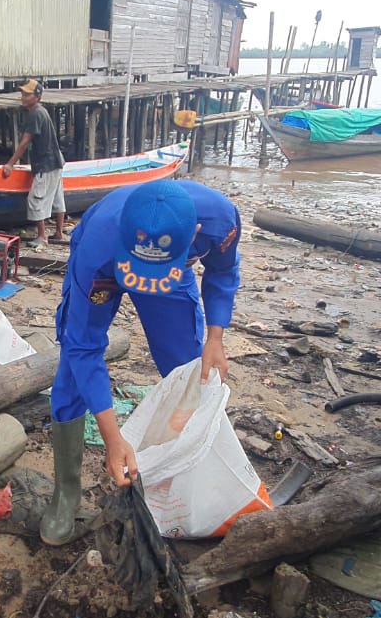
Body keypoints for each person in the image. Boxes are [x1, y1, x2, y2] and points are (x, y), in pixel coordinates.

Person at [39, 179, 242, 545]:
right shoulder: (98, 244)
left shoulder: (220, 220)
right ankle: (66, 492)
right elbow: (85, 348)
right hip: (108, 267)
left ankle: (183, 467)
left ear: (193, 234)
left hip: (172, 274)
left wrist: (215, 338)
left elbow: (223, 272)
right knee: (72, 367)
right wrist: (113, 439)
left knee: (188, 366)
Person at [0, 80, 67, 247]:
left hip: (46, 163)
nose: (23, 97)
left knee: (36, 199)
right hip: (55, 161)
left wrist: (10, 165)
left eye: (27, 94)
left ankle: (42, 236)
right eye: (22, 94)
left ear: (37, 97)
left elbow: (24, 142)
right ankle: (58, 233)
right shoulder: (40, 111)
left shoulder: (36, 114)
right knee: (57, 198)